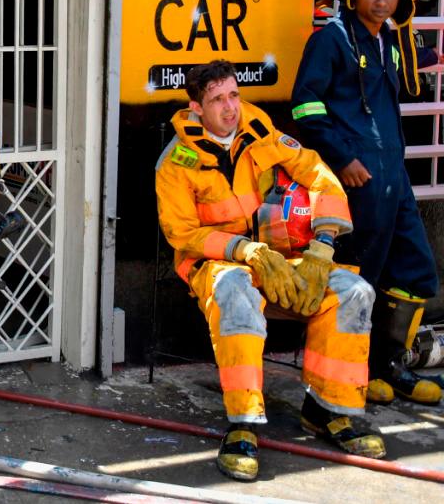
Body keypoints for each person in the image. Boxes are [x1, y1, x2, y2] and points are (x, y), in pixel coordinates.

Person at [155, 60, 384, 482]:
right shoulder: (175, 162)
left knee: (353, 292)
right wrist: (244, 249)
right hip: (217, 265)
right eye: (217, 100)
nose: (230, 109)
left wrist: (322, 246)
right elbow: (182, 234)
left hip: (283, 258)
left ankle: (328, 411)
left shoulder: (261, 132)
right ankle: (243, 425)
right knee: (235, 292)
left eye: (234, 96)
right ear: (196, 107)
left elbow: (319, 175)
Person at [292, 0, 443, 406]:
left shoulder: (390, 41)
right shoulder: (330, 39)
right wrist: (341, 158)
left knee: (417, 270)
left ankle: (388, 366)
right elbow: (305, 106)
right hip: (357, 182)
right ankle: (356, 373)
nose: (382, 1)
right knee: (362, 279)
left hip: (392, 176)